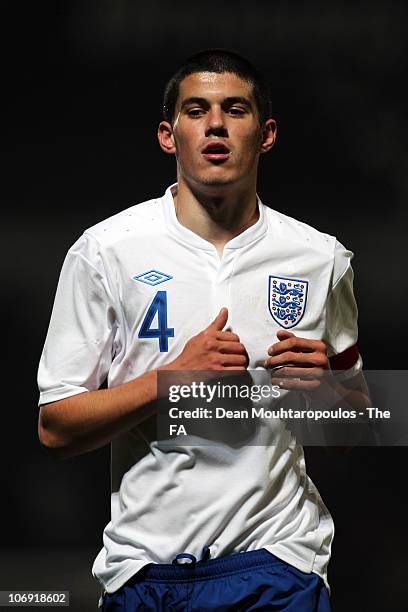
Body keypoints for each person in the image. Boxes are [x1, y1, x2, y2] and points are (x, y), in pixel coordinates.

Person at [38, 49, 369, 611]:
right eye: (196, 110)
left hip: (281, 563)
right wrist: (171, 379)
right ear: (169, 136)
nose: (215, 123)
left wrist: (324, 399)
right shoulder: (104, 251)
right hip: (145, 569)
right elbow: (55, 428)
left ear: (265, 135)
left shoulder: (321, 258)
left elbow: (361, 427)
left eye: (234, 109)